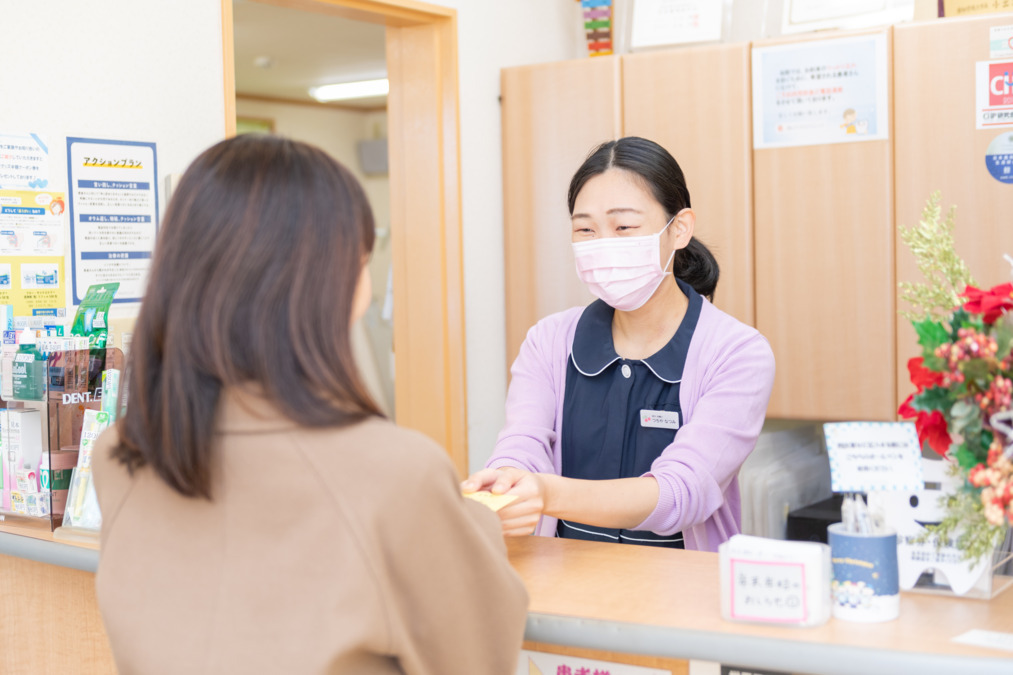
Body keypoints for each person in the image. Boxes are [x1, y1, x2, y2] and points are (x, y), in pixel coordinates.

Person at [92, 135, 528, 674]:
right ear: (328, 284)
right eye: (362, 261)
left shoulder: (121, 453)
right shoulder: (395, 472)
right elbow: (477, 657)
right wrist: (470, 523)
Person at [463, 137, 775, 552]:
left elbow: (683, 490)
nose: (603, 243)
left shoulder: (737, 352)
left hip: (685, 583)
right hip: (563, 577)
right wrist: (506, 480)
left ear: (679, 229)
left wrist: (547, 493)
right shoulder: (548, 341)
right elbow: (523, 443)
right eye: (585, 229)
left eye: (623, 227)